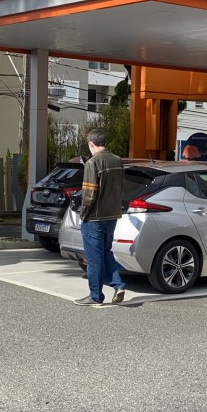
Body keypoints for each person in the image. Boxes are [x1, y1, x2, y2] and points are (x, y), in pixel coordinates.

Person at [74, 128, 126, 305]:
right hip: (112, 215)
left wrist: (83, 214)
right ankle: (118, 285)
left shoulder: (92, 163)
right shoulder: (118, 161)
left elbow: (89, 194)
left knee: (94, 258)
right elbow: (121, 188)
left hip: (94, 217)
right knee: (106, 252)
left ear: (91, 144)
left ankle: (95, 295)